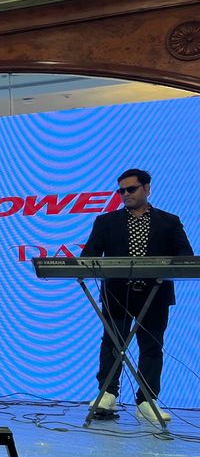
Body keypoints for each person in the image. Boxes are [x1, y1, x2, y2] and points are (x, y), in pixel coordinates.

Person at [81, 168, 193, 423]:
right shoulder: (106, 221)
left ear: (147, 188)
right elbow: (88, 256)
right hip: (117, 295)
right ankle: (108, 395)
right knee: (112, 344)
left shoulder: (169, 221)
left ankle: (146, 401)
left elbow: (185, 255)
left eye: (131, 189)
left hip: (155, 295)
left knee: (152, 347)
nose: (125, 194)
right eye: (121, 191)